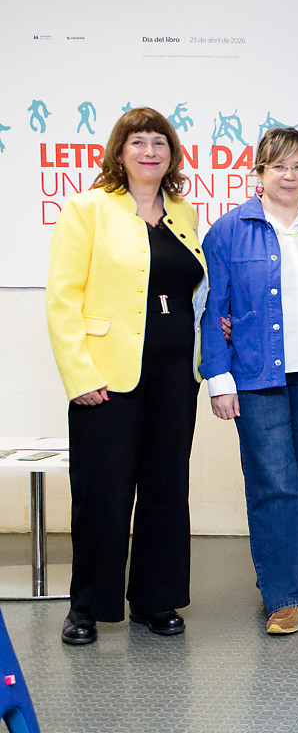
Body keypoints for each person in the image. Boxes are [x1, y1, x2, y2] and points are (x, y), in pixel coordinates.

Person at [46, 107, 208, 645]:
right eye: (137, 142)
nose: (149, 151)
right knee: (102, 493)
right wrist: (79, 374)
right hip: (105, 379)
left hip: (175, 376)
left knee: (166, 489)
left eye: (159, 142)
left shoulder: (184, 213)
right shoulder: (87, 208)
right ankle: (88, 607)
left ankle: (155, 602)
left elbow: (197, 290)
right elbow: (63, 298)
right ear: (120, 153)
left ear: (171, 154)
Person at [200, 127, 298, 635]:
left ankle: (290, 586)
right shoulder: (228, 231)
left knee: (297, 482)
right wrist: (218, 376)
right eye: (278, 166)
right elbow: (212, 309)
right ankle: (284, 597)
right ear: (258, 173)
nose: (289, 176)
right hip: (257, 374)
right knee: (273, 482)